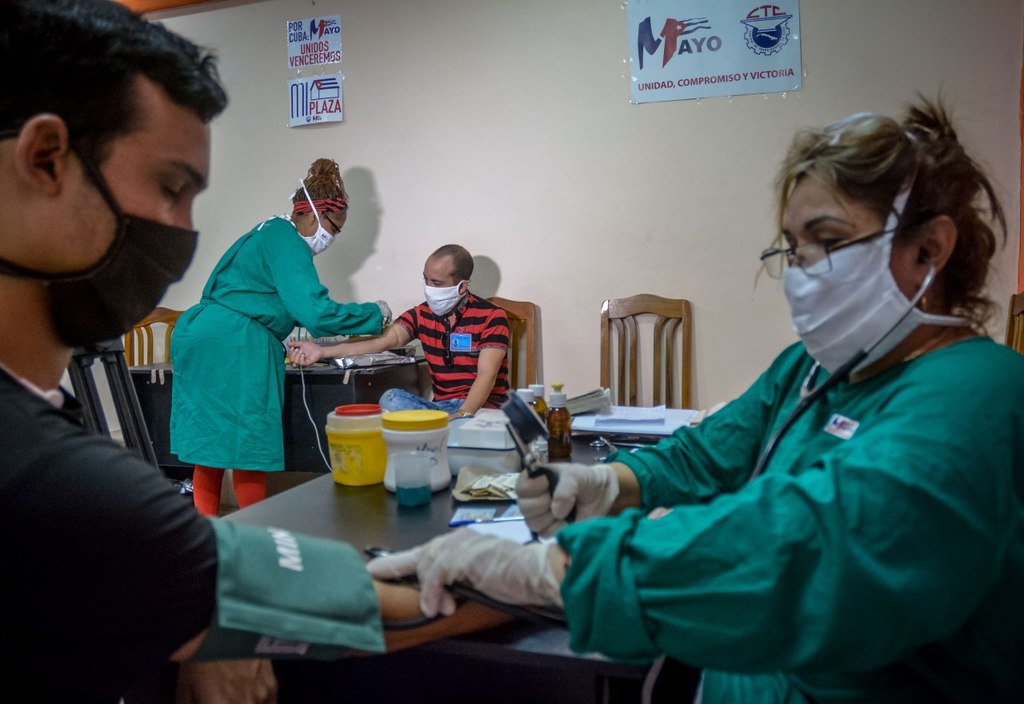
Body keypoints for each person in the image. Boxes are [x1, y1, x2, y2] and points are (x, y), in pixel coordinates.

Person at [367, 98, 1024, 703]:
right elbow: (710, 454)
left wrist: (549, 569)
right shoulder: (812, 371)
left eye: (825, 242)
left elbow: (803, 550)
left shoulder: (978, 396)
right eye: (792, 250)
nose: (801, 274)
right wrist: (610, 482)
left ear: (929, 249)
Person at [0, 2, 505, 702]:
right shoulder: (58, 485)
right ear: (44, 159)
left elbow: (203, 582)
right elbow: (321, 315)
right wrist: (525, 576)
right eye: (170, 188)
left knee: (211, 458)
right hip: (233, 345)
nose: (181, 233)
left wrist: (215, 617)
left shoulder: (56, 450)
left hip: (210, 341)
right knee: (242, 451)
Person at [170, 157, 393, 516]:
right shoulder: (288, 243)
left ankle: (206, 533)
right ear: (316, 214)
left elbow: (271, 298)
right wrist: (374, 315)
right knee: (248, 446)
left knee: (212, 447)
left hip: (203, 333)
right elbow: (316, 314)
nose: (332, 238)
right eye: (335, 229)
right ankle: (258, 532)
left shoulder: (268, 230)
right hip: (235, 343)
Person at [288, 244, 510, 419]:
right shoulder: (422, 314)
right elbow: (382, 341)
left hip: (480, 409)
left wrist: (462, 415)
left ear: (461, 286)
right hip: (440, 408)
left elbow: (487, 375)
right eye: (425, 280)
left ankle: (444, 430)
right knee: (391, 399)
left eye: (436, 283)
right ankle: (438, 431)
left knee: (458, 421)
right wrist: (321, 351)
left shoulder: (492, 316)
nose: (429, 289)